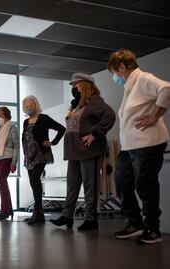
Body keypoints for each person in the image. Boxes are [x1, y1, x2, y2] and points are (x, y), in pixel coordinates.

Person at [108, 49, 170, 244]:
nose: (114, 77)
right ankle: (135, 223)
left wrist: (155, 116)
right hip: (129, 147)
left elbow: (166, 88)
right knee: (122, 183)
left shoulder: (143, 79)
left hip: (148, 143)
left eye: (114, 72)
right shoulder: (130, 86)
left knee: (145, 185)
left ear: (122, 67)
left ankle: (153, 229)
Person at [49, 73, 115, 231]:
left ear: (85, 85)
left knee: (89, 186)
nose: (73, 87)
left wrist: (95, 133)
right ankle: (67, 216)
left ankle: (91, 219)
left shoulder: (94, 101)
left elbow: (110, 116)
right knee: (72, 185)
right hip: (74, 151)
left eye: (76, 84)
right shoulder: (76, 104)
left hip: (89, 150)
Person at [21, 96, 65, 225]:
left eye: (30, 105)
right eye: (26, 106)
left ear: (35, 105)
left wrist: (53, 142)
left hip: (41, 153)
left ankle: (38, 212)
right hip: (29, 155)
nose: (28, 108)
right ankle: (38, 213)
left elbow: (62, 129)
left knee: (35, 179)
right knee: (33, 182)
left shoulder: (44, 118)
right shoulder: (26, 122)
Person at [0, 107, 19, 221]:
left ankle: (4, 211)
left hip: (7, 158)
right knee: (2, 185)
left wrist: (14, 162)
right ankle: (9, 209)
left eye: (0, 116)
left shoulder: (12, 127)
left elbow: (16, 146)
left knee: (1, 183)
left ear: (7, 117)